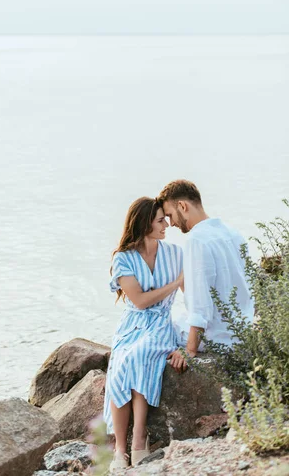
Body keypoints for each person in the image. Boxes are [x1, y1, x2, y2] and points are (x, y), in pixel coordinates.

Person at [103, 197, 183, 470]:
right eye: (160, 221)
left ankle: (139, 439)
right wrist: (175, 283)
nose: (166, 225)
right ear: (144, 223)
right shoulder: (123, 258)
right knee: (120, 364)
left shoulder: (175, 253)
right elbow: (138, 301)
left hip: (160, 324)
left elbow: (192, 297)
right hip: (132, 325)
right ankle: (120, 450)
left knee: (139, 356)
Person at [159, 179, 254, 373]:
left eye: (170, 215)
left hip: (219, 339)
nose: (171, 223)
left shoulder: (197, 240)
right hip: (242, 333)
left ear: (182, 206)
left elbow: (200, 304)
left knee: (156, 333)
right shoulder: (232, 233)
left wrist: (189, 350)